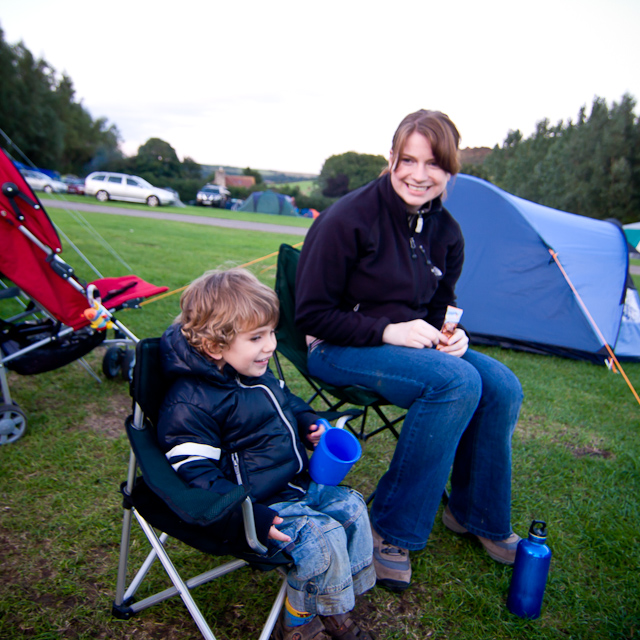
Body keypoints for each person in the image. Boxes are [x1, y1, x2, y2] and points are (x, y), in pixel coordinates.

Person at [295, 109, 524, 592]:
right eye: (409, 160)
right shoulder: (348, 218)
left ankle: (474, 514)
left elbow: (443, 307)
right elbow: (311, 315)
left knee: (502, 384)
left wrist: (451, 335)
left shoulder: (446, 232)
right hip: (336, 346)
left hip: (407, 348)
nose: (420, 175)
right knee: (455, 382)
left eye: (434, 164)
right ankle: (389, 529)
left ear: (450, 170)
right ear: (392, 159)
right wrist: (388, 331)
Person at [157, 268, 375, 640]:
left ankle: (336, 604)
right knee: (320, 535)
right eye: (257, 337)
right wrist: (246, 515)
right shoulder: (191, 401)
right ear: (214, 346)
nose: (271, 345)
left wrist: (308, 420)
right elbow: (196, 474)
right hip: (255, 504)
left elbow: (287, 400)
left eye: (271, 332)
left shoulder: (255, 371)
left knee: (353, 508)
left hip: (294, 482)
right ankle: (299, 622)